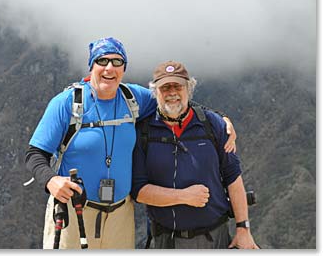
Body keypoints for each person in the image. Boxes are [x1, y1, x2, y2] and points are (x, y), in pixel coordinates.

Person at [25, 38, 237, 249]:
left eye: (117, 62)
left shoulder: (133, 98)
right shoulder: (66, 104)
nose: (109, 68)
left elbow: (175, 101)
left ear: (123, 69)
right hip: (75, 210)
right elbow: (35, 154)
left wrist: (219, 119)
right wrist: (51, 180)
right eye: (102, 61)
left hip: (120, 214)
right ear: (92, 66)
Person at [131, 60, 259, 249]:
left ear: (189, 89)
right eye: (165, 87)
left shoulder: (213, 125)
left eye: (178, 86)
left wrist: (243, 229)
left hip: (215, 239)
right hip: (165, 241)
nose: (172, 92)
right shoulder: (143, 132)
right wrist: (184, 196)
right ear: (155, 92)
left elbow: (233, 178)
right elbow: (139, 191)